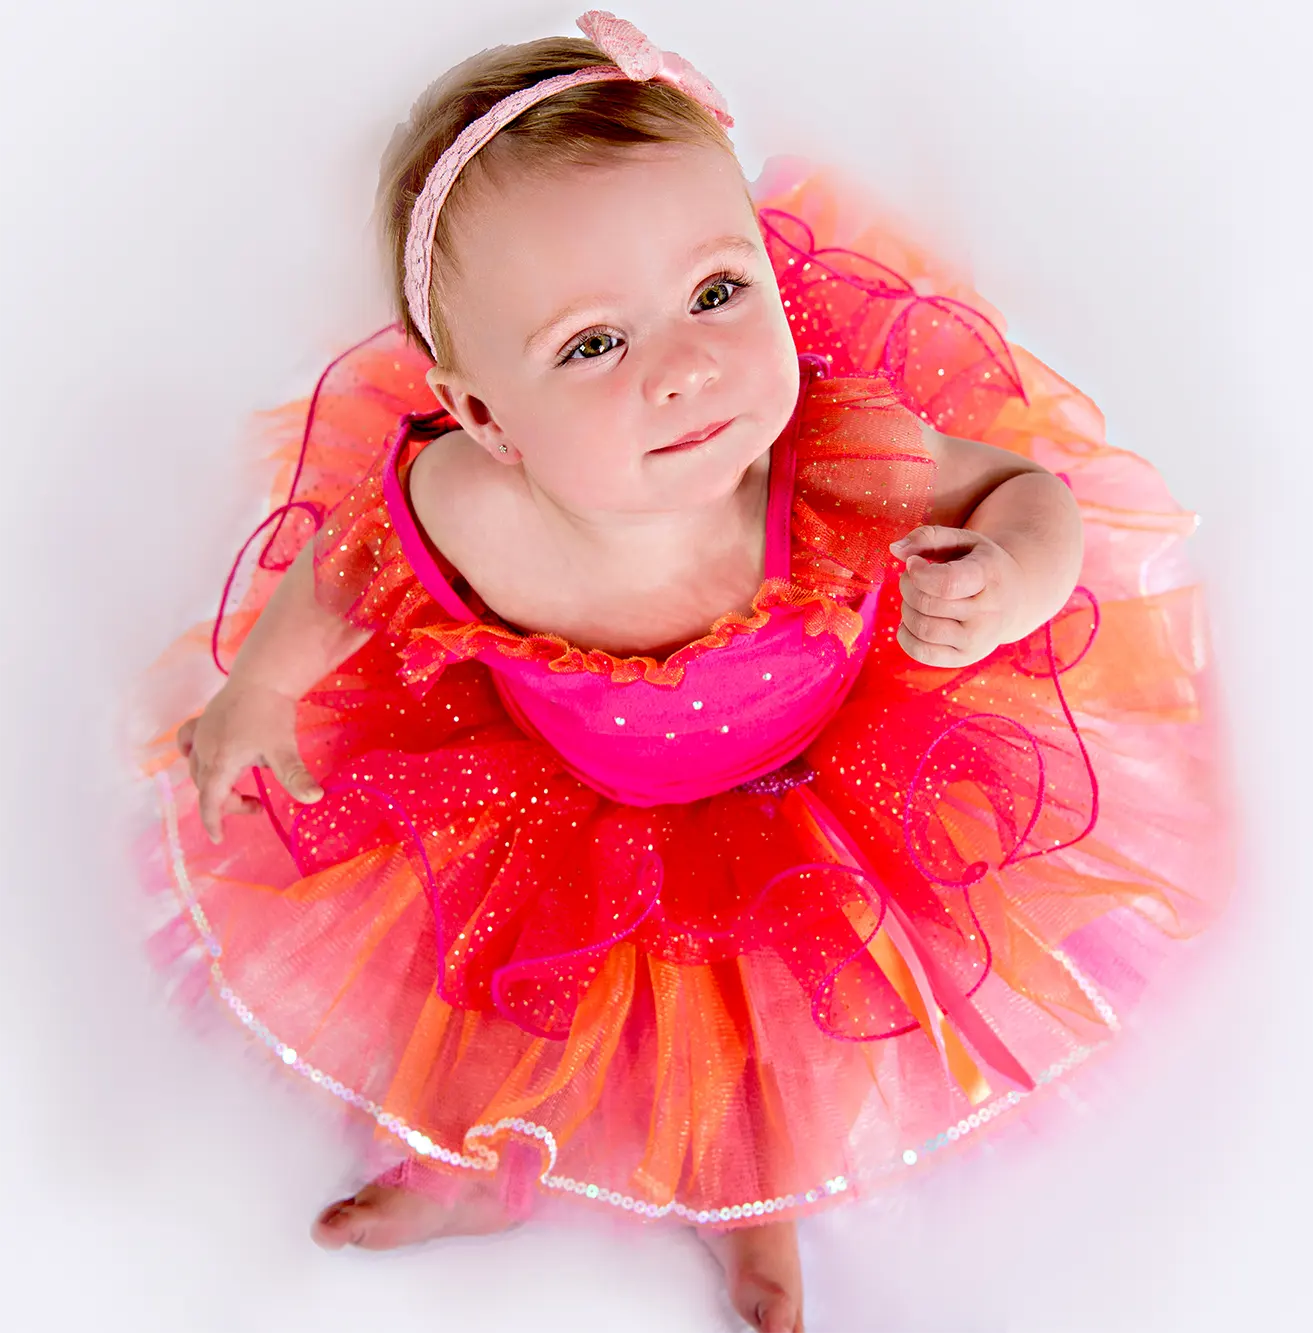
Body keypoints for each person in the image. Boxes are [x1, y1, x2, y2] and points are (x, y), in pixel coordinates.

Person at [136, 11, 1233, 1331]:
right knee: (492, 1011)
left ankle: (750, 1222)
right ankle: (468, 1174)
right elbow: (343, 583)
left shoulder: (831, 457)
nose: (686, 368)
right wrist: (257, 692)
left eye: (718, 292)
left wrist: (1013, 576)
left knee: (759, 1051)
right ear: (486, 419)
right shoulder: (468, 507)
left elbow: (1020, 487)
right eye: (594, 345)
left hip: (803, 804)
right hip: (555, 810)